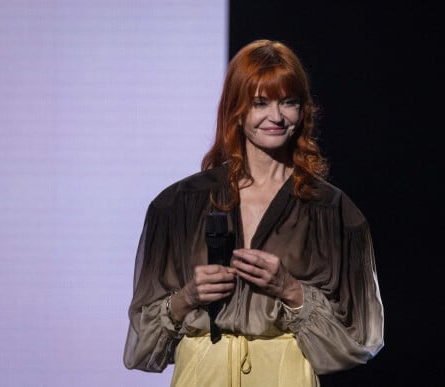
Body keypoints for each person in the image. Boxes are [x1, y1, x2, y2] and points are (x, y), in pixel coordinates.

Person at [123, 39, 384, 386]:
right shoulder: (179, 204)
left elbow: (361, 338)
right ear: (236, 108)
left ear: (303, 110)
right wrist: (188, 296)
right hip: (203, 373)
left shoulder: (331, 211)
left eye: (288, 103)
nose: (276, 117)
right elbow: (142, 342)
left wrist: (291, 290)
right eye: (260, 103)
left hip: (283, 373)